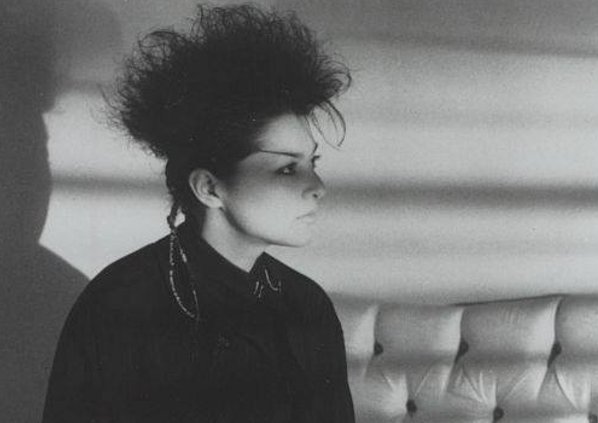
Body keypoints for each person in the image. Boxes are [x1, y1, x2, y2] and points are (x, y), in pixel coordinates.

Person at [43, 4, 353, 422]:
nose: (317, 187)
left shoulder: (307, 305)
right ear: (209, 187)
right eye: (286, 168)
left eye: (313, 163)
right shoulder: (118, 306)